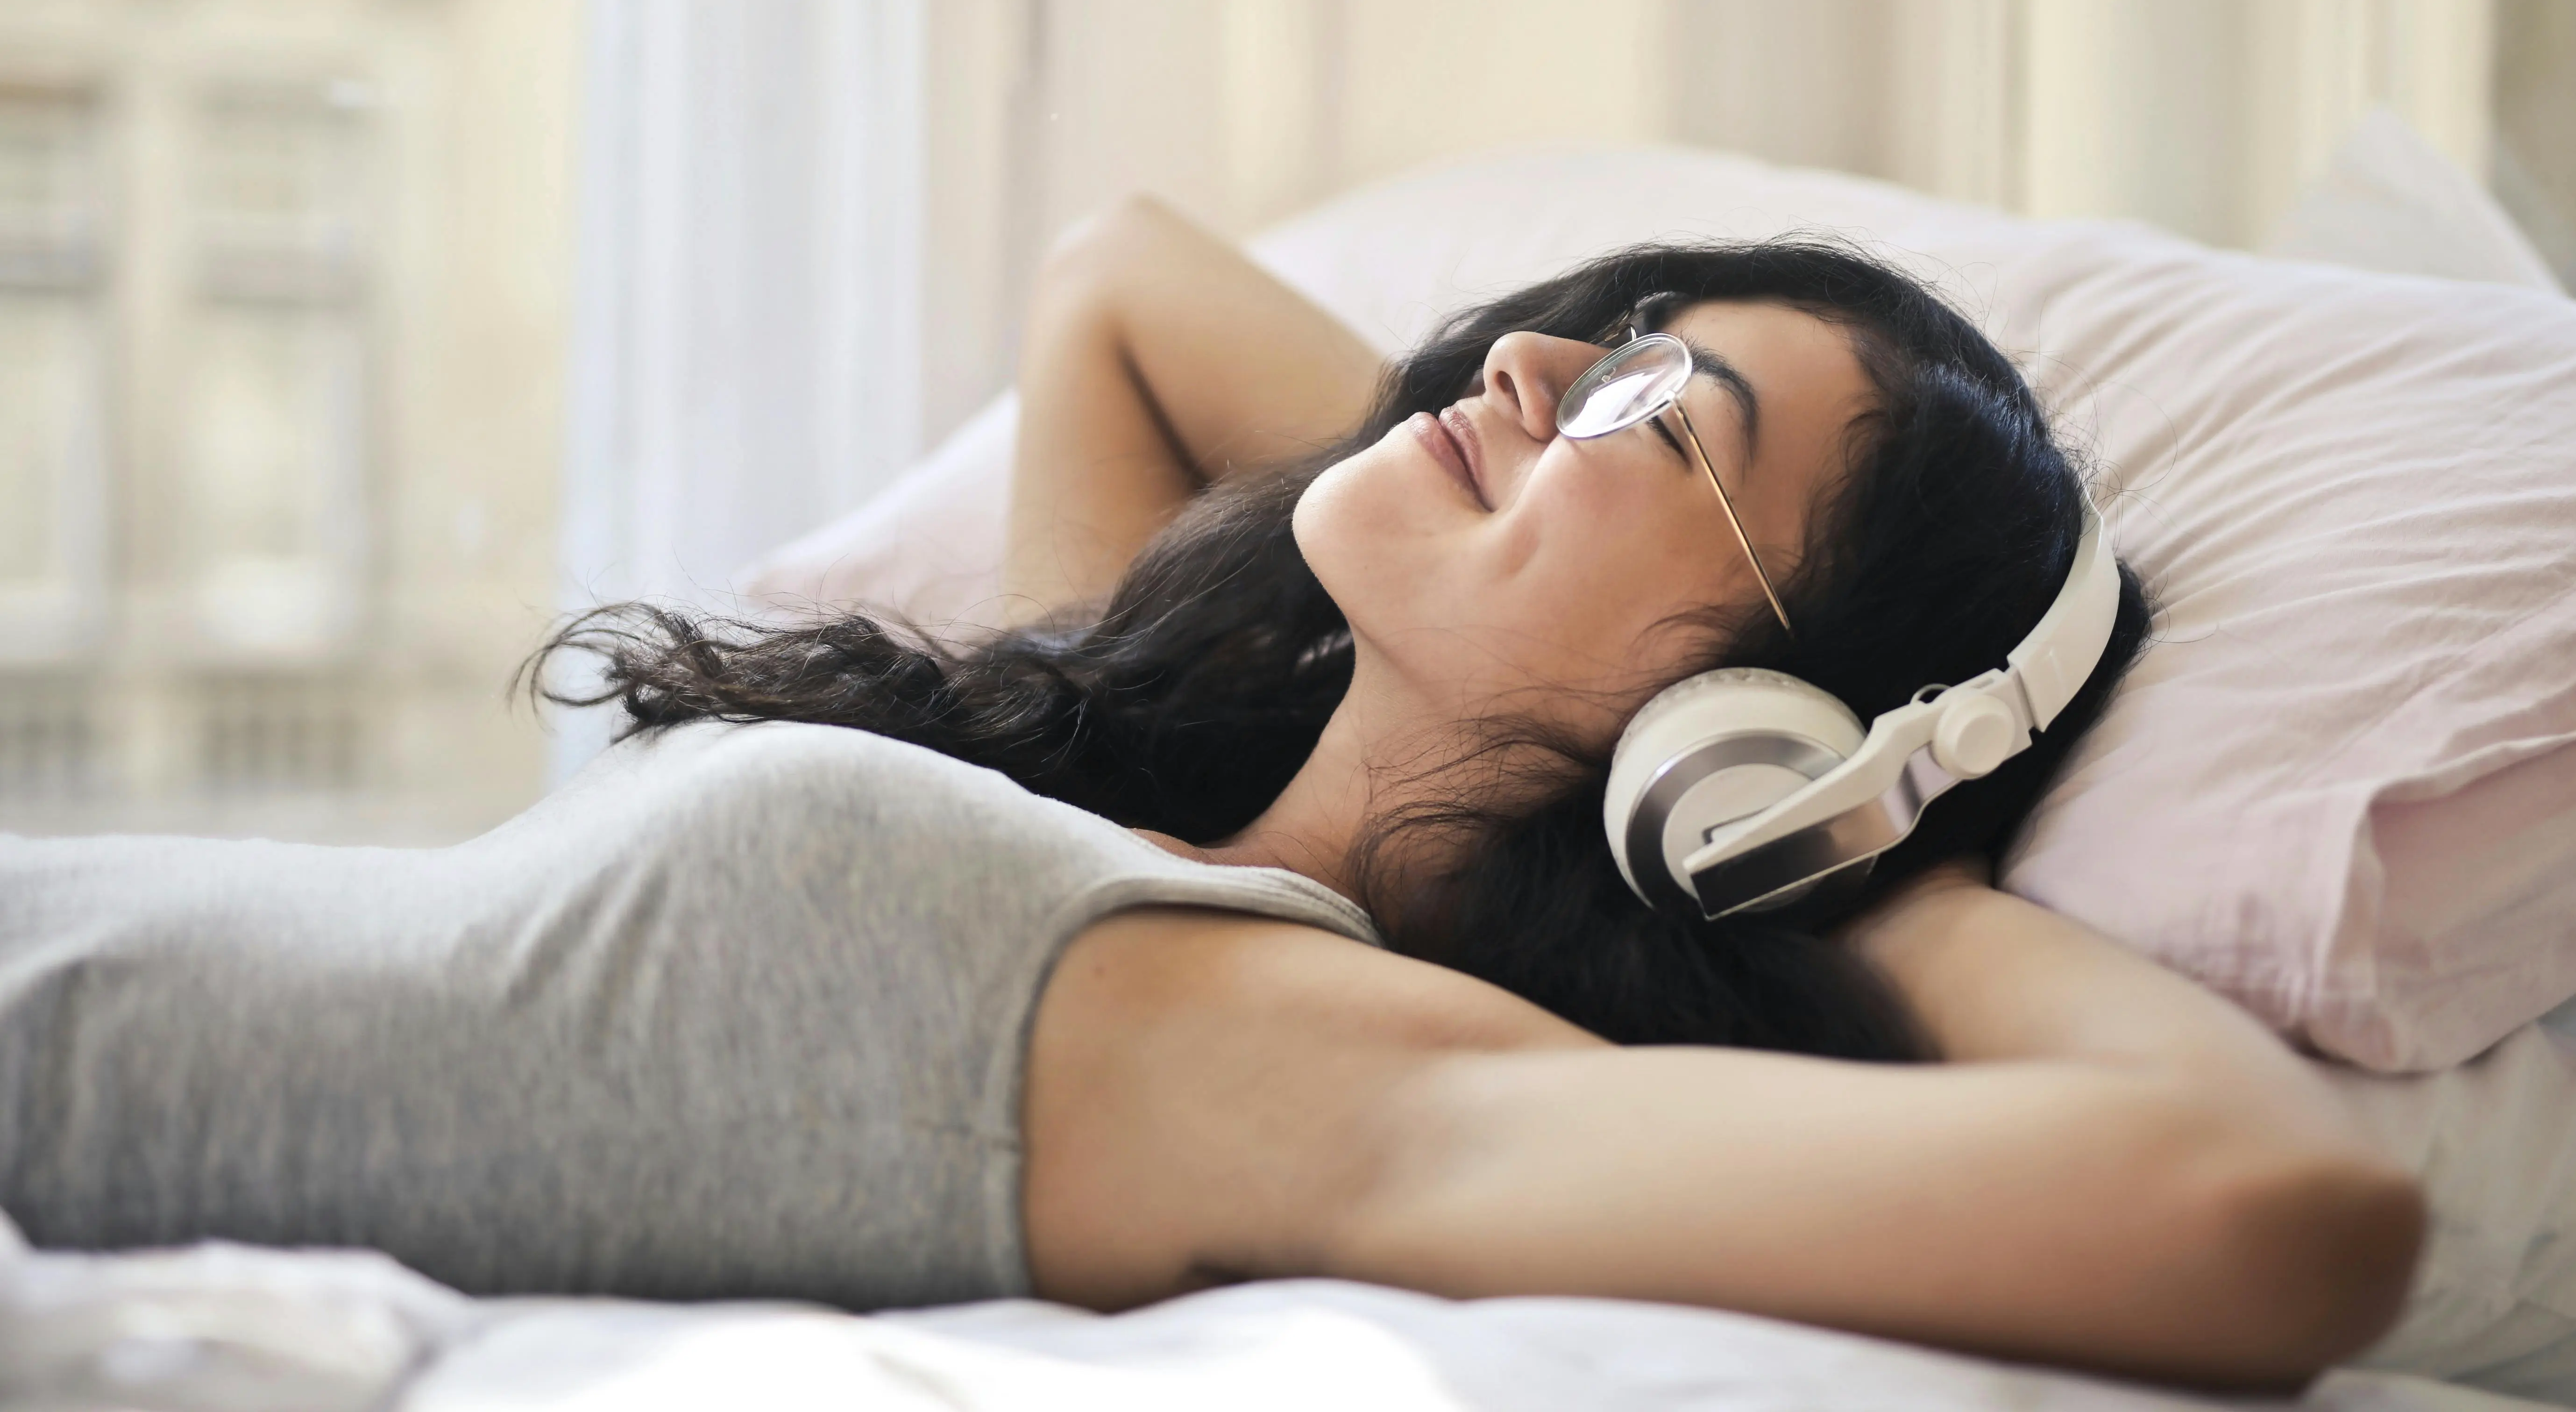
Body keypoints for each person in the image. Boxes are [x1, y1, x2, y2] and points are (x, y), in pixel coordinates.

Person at [0, 196, 2422, 1395]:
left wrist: (1816, 832)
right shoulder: (1134, 785)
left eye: (1662, 422)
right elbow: (1124, 292)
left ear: (1762, 719)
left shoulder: (1290, 1068)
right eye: (1620, 334)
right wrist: (1538, 442)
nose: (1545, 359)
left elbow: (2280, 1208)